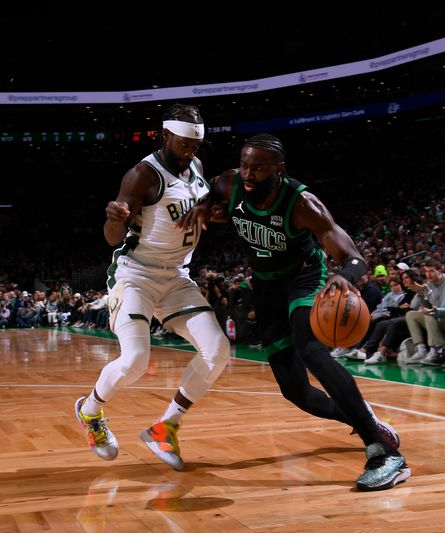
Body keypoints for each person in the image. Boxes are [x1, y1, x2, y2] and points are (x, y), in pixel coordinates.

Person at [180, 133, 409, 491]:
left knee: (310, 349)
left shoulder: (303, 204)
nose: (249, 173)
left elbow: (353, 256)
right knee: (295, 392)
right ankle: (366, 420)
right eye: (245, 164)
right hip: (265, 285)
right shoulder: (230, 181)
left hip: (305, 277)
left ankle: (384, 454)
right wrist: (203, 205)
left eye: (258, 167)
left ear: (279, 169)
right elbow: (215, 190)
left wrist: (344, 276)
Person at [74, 104, 230, 471]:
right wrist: (115, 218)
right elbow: (113, 237)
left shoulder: (196, 167)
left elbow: (202, 203)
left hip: (177, 275)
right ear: (165, 137)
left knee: (218, 349)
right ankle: (90, 411)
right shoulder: (143, 175)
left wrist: (209, 211)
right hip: (136, 274)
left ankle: (166, 427)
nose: (190, 150)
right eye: (183, 144)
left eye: (196, 144)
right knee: (135, 360)